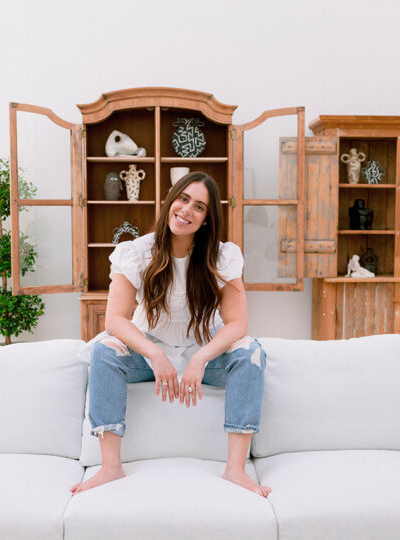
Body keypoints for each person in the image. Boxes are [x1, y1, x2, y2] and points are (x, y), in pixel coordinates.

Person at [70, 171, 269, 497]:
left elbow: (238, 323)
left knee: (252, 350)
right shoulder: (136, 252)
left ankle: (235, 469)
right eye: (183, 199)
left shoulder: (222, 257)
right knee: (104, 350)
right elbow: (115, 320)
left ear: (206, 219)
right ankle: (110, 468)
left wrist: (203, 357)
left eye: (200, 207)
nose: (187, 210)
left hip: (205, 356)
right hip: (148, 357)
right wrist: (154, 354)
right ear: (171, 201)